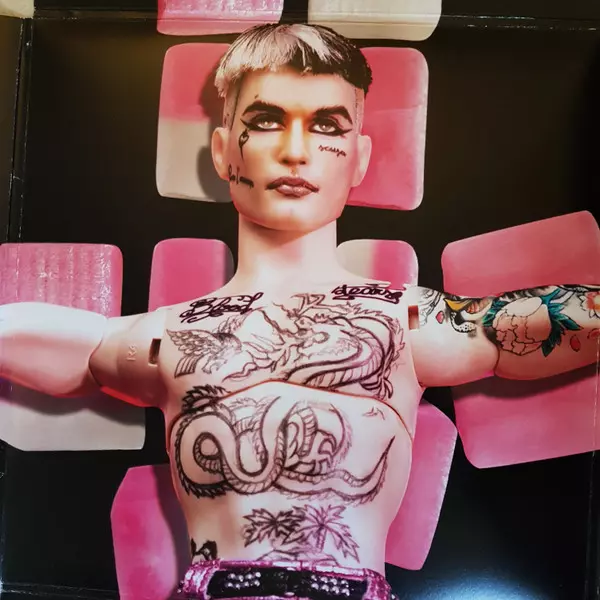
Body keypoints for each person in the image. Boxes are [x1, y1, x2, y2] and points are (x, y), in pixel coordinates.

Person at [1, 22, 599, 600]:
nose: (294, 151)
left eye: (325, 126)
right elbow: (61, 345)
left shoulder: (402, 320)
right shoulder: (171, 334)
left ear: (359, 158)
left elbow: (519, 326)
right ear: (222, 151)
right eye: (265, 122)